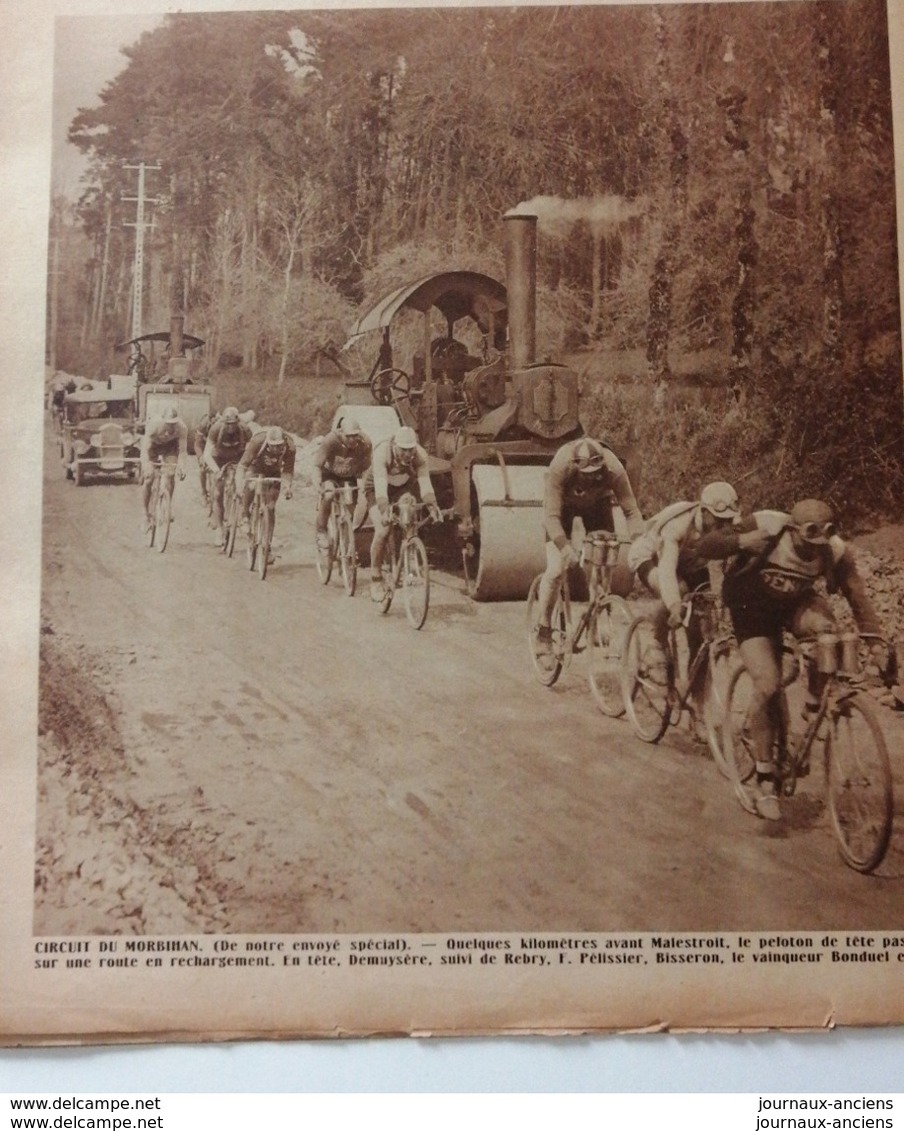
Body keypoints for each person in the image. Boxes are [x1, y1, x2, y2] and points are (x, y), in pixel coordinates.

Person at [695, 498, 886, 821]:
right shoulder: (768, 525)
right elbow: (707, 545)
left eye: (819, 544)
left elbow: (858, 596)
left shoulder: (834, 550)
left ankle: (814, 707)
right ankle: (765, 779)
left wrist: (877, 642)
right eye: (806, 542)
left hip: (793, 603)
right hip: (750, 607)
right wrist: (741, 540)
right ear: (794, 530)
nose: (813, 550)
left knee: (828, 633)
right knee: (768, 683)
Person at [536, 436, 645, 653]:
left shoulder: (613, 468)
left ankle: (594, 621)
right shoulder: (560, 466)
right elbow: (551, 517)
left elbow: (631, 511)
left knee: (604, 565)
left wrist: (639, 540)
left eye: (596, 473)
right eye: (587, 475)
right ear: (575, 467)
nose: (592, 477)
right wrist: (564, 547)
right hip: (562, 510)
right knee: (557, 569)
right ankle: (544, 629)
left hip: (597, 506)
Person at [628, 481, 748, 651]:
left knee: (702, 618)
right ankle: (656, 645)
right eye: (719, 521)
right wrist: (675, 605)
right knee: (680, 591)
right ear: (705, 512)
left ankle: (697, 669)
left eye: (729, 520)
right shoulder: (678, 524)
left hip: (688, 562)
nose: (725, 527)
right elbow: (667, 571)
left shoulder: (732, 523)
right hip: (650, 557)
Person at [364, 425, 441, 601]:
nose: (408, 455)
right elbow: (381, 487)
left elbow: (425, 482)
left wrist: (432, 505)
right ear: (395, 446)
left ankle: (411, 559)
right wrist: (384, 510)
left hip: (402, 487)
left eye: (411, 450)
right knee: (383, 529)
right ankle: (375, 577)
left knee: (410, 513)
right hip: (376, 489)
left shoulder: (420, 455)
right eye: (404, 450)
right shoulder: (382, 452)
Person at [312, 417, 373, 552]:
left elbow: (367, 469)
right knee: (329, 495)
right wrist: (317, 483)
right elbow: (317, 465)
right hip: (330, 474)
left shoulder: (365, 443)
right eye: (348, 436)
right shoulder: (331, 440)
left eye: (355, 436)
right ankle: (321, 530)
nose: (352, 440)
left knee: (350, 514)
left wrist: (366, 485)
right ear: (341, 434)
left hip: (349, 477)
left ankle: (345, 548)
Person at [236, 426, 296, 558]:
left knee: (271, 507)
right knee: (251, 485)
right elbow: (242, 466)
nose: (276, 449)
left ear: (283, 442)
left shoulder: (290, 446)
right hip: (255, 468)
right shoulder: (257, 442)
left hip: (274, 472)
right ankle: (245, 515)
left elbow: (288, 471)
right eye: (272, 446)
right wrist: (240, 484)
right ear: (267, 442)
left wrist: (287, 486)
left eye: (279, 446)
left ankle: (267, 547)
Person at [203, 407, 252, 546]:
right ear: (223, 422)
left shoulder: (245, 430)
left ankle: (241, 513)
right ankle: (219, 529)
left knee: (243, 486)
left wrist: (246, 469)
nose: (231, 427)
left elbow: (251, 452)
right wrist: (216, 470)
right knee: (218, 493)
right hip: (219, 458)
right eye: (228, 424)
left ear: (238, 421)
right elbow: (207, 453)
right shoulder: (216, 429)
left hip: (238, 458)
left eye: (233, 424)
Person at [140, 404, 188, 531]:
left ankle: (167, 505)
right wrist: (146, 465)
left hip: (170, 448)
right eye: (168, 423)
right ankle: (145, 514)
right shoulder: (154, 425)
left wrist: (182, 466)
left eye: (173, 423)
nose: (171, 426)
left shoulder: (182, 428)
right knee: (149, 478)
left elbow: (183, 451)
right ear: (163, 421)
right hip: (153, 448)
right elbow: (145, 448)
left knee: (170, 474)